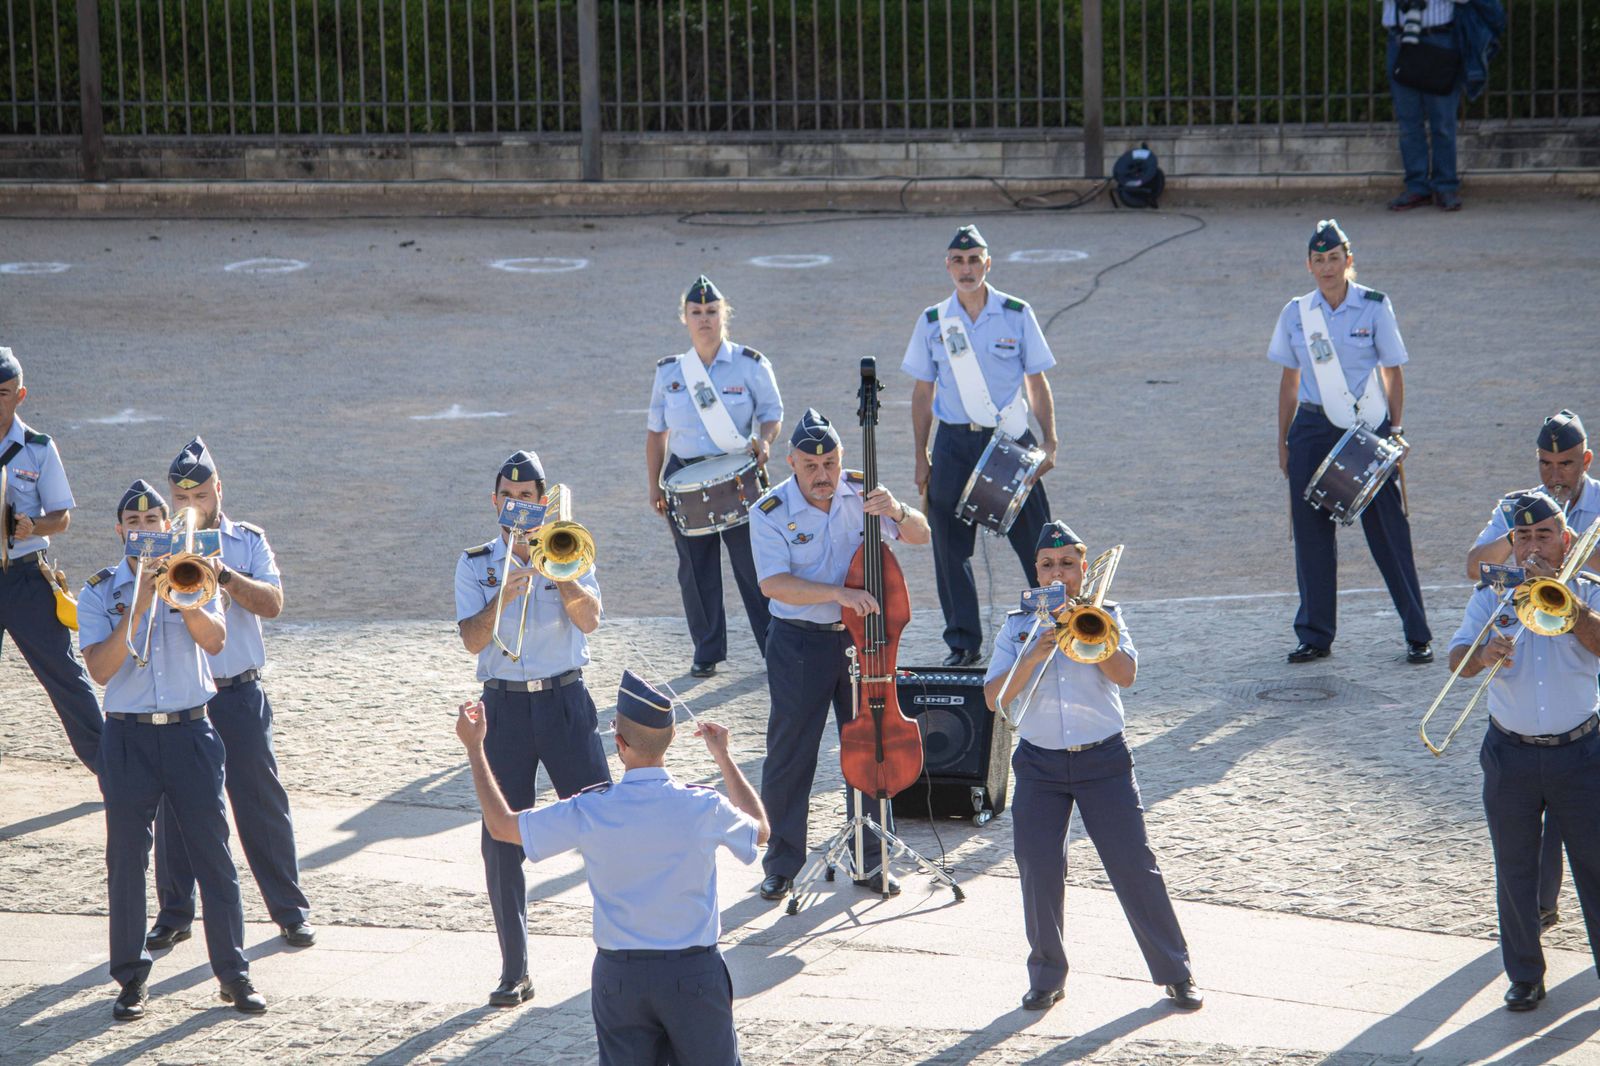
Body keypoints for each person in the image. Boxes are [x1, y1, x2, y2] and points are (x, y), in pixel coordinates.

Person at [455, 671, 768, 1066]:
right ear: (671, 739)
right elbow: (761, 831)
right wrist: (723, 756)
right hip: (694, 974)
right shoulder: (704, 806)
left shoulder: (591, 809)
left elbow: (501, 825)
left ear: (619, 744)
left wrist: (475, 748)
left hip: (621, 978)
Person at [983, 520, 1201, 1013]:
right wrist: (1034, 653)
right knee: (1038, 869)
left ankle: (1176, 972)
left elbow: (1126, 675)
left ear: (1083, 570)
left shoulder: (1107, 615)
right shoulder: (1017, 626)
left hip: (1103, 760)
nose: (1057, 572)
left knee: (1134, 866)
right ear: (1036, 572)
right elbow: (993, 698)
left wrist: (1086, 629)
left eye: (1067, 565)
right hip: (1039, 765)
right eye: (1047, 564)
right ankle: (1046, 976)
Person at [78, 480, 264, 1020]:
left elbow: (216, 642)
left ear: (167, 528)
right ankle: (131, 980)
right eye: (132, 526)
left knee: (214, 855)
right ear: (120, 532)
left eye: (152, 524)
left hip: (191, 732)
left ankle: (234, 975)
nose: (142, 533)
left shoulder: (197, 575)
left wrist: (180, 598)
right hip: (128, 736)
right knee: (126, 860)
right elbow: (100, 669)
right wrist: (136, 608)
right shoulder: (97, 592)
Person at [748, 409, 931, 901]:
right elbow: (773, 583)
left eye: (829, 462)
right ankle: (783, 864)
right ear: (791, 463)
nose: (823, 475)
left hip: (861, 640)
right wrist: (840, 594)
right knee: (791, 753)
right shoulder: (768, 510)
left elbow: (921, 534)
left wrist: (896, 511)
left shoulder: (862, 493)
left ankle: (872, 860)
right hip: (799, 641)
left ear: (842, 458)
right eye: (811, 465)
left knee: (870, 742)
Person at [455, 449, 612, 1007]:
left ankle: (623, 950)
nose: (517, 507)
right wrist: (504, 595)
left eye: (527, 499)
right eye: (508, 497)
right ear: (493, 501)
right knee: (501, 840)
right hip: (505, 710)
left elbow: (592, 619)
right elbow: (473, 640)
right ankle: (514, 969)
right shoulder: (476, 563)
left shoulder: (569, 545)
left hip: (565, 701)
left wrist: (560, 575)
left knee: (604, 826)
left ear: (542, 503)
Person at [146, 437, 315, 955]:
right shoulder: (161, 543)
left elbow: (274, 603)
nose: (189, 507)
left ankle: (289, 911)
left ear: (217, 490)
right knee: (175, 808)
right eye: (180, 498)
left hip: (237, 693)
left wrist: (224, 575)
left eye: (198, 497)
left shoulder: (247, 541)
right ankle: (175, 912)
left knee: (260, 803)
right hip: (183, 695)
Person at [1446, 491, 1600, 1012]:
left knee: (1596, 866)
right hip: (1509, 754)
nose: (1534, 546)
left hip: (1580, 754)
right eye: (1524, 537)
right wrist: (1482, 654)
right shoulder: (1493, 594)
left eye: (1545, 535)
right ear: (1511, 544)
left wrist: (1571, 607)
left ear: (1567, 540)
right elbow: (1455, 656)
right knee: (1514, 870)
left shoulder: (1587, 590)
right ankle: (1525, 976)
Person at [1270, 219, 1433, 665]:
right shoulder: (1295, 313)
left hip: (1366, 428)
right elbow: (1289, 381)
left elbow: (1393, 371)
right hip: (1312, 428)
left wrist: (1396, 431)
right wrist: (1282, 441)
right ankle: (1315, 634)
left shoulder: (1375, 306)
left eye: (1334, 258)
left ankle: (1417, 632)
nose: (1327, 267)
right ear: (1309, 264)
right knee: (1310, 535)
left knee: (1389, 532)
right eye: (1319, 259)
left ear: (1349, 261)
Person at [1464, 410, 1600, 932]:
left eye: (1565, 464)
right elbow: (1474, 565)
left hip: (1586, 642)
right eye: (1546, 464)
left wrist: (1568, 558)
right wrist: (1524, 536)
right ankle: (1541, 904)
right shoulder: (1519, 508)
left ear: (1584, 460)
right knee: (1534, 813)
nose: (1555, 475)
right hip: (1535, 641)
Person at [901, 225, 1059, 667]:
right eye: (958, 260)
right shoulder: (933, 321)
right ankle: (963, 642)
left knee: (1037, 543)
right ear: (947, 265)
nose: (966, 269)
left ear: (987, 264)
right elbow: (921, 391)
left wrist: (1051, 440)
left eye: (974, 261)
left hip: (1009, 439)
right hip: (953, 441)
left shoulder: (1016, 312)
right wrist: (921, 454)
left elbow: (1037, 381)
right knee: (949, 548)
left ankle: (1050, 627)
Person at [645, 275, 783, 678]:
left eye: (711, 311)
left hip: (737, 474)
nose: (704, 319)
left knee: (753, 565)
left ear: (725, 315)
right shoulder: (671, 372)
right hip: (684, 475)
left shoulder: (750, 364)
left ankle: (773, 644)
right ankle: (707, 650)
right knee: (695, 567)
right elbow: (656, 433)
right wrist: (653, 483)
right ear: (684, 318)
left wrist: (765, 439)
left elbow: (771, 414)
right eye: (696, 312)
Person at [0, 346, 103, 771]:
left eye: (3, 392)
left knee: (65, 678)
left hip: (25, 578)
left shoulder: (39, 448)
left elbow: (61, 519)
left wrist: (32, 527)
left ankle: (113, 771)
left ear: (20, 395)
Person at [1383, 0, 1469, 212]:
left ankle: (1445, 186)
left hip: (1439, 37)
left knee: (1443, 122)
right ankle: (1416, 187)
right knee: (1408, 122)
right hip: (1400, 38)